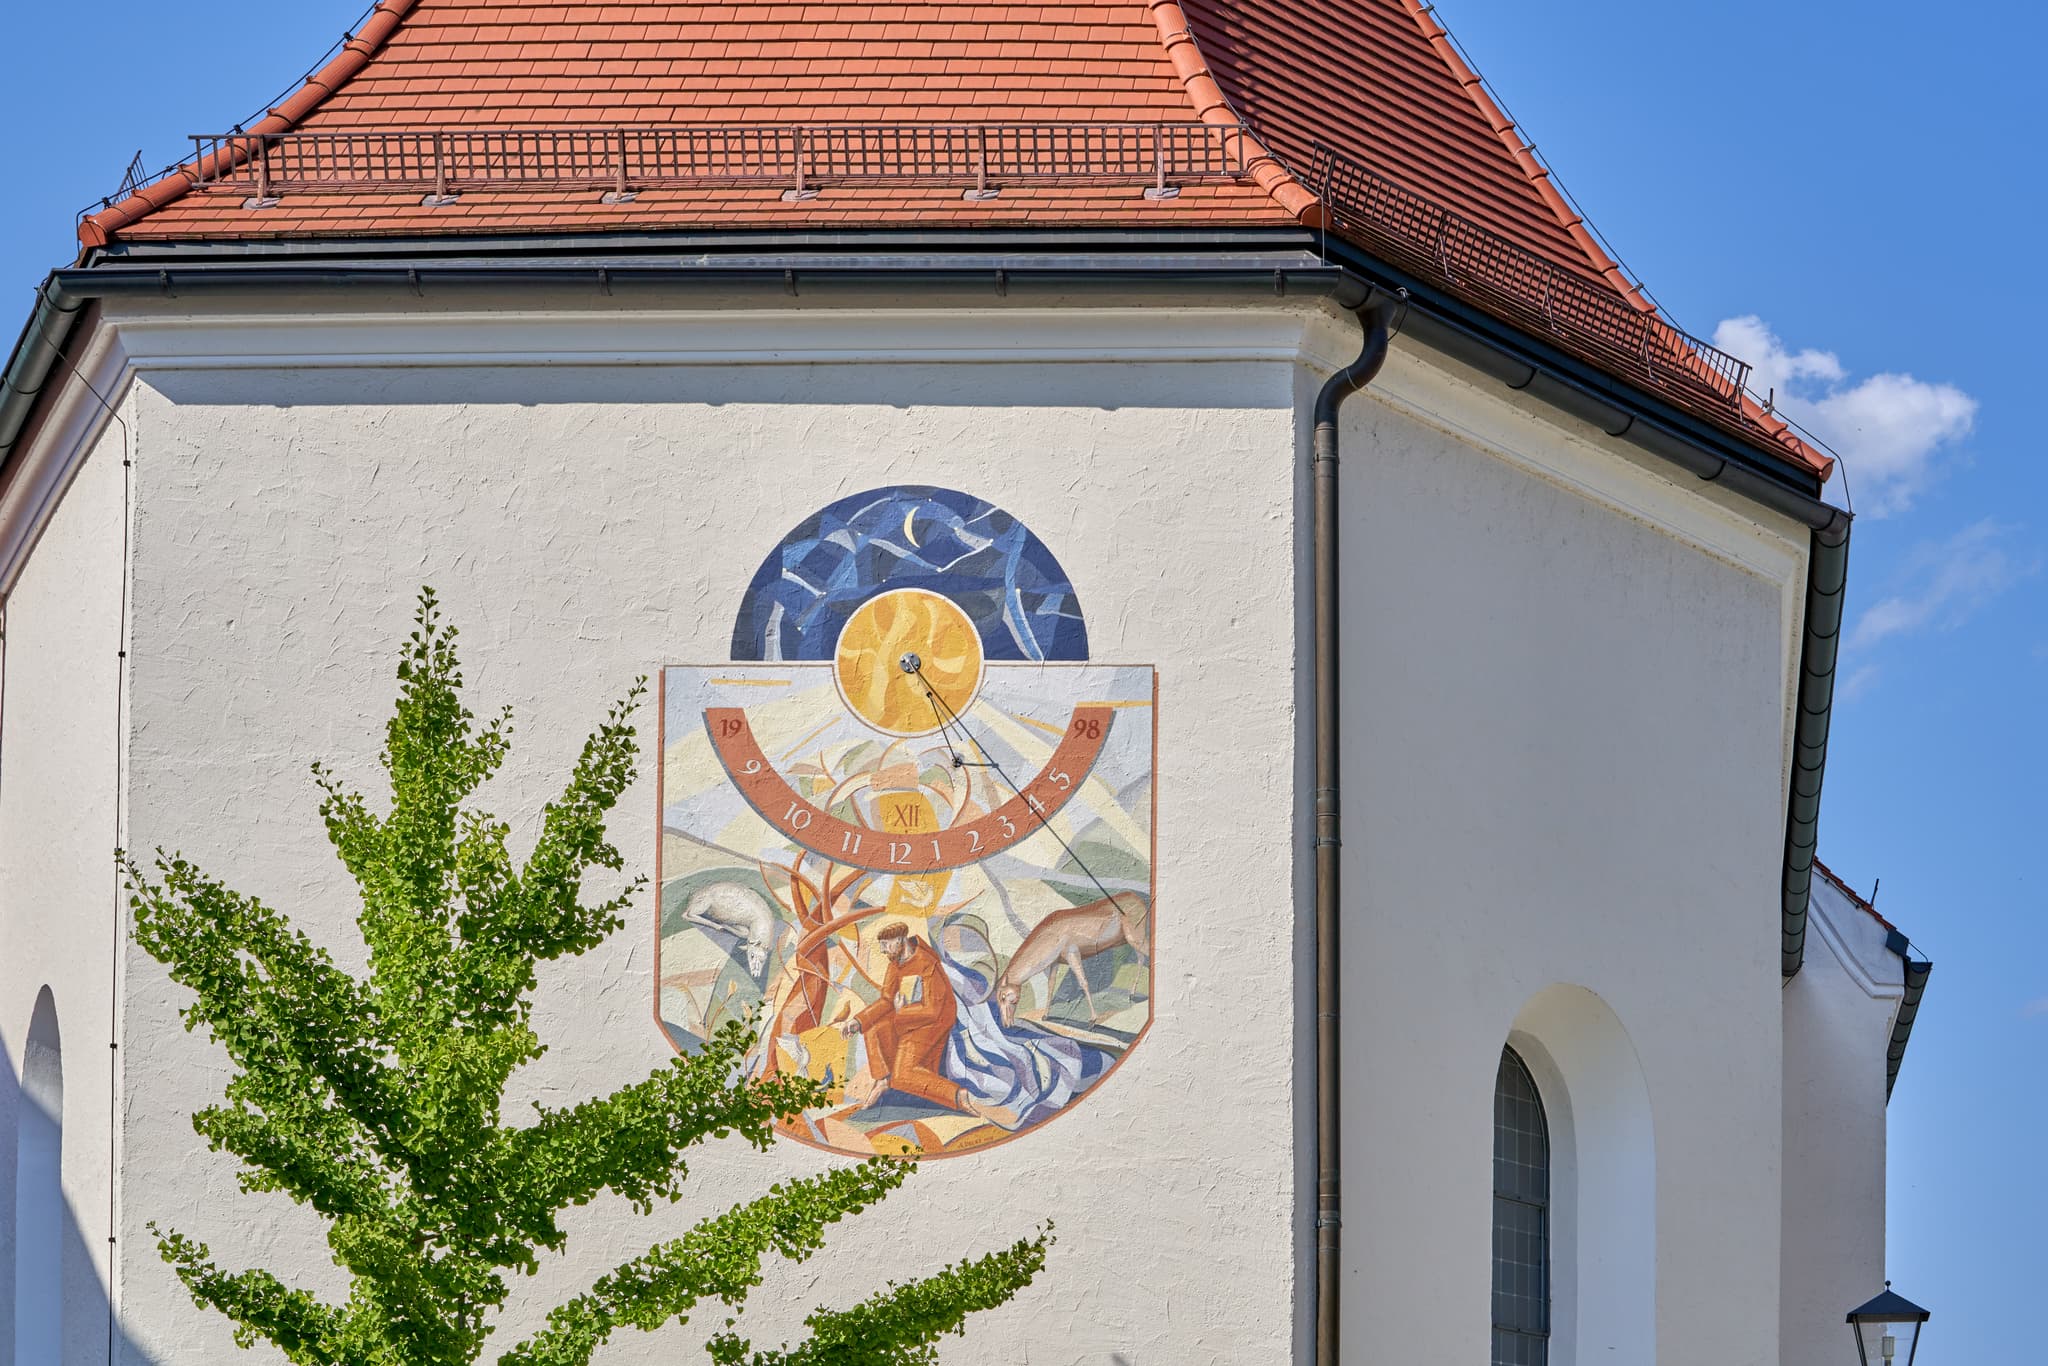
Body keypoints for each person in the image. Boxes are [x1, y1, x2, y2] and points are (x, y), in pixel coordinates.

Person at [837, 921, 1016, 1126]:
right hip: (907, 1018)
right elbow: (887, 1000)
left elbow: (933, 1009)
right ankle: (882, 1080)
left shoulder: (927, 964)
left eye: (886, 944)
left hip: (933, 1023)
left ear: (900, 940)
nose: (882, 950)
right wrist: (857, 1021)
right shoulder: (895, 964)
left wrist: (901, 1012)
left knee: (903, 1075)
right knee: (873, 1027)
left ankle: (957, 1096)